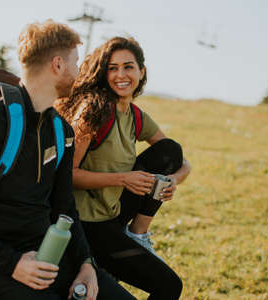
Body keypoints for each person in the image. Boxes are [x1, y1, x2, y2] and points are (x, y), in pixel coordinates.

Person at [0, 20, 134, 300]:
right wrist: (13, 264)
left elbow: (65, 206)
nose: (79, 72)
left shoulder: (62, 131)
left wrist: (86, 263)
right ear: (57, 65)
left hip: (47, 253)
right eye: (75, 63)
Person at [55, 36, 192, 300]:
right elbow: (67, 175)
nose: (121, 75)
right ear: (102, 72)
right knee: (169, 286)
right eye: (112, 67)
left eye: (128, 67)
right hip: (86, 224)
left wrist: (174, 179)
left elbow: (181, 160)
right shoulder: (92, 110)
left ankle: (138, 233)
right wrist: (122, 179)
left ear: (141, 71)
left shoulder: (135, 114)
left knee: (170, 150)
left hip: (114, 213)